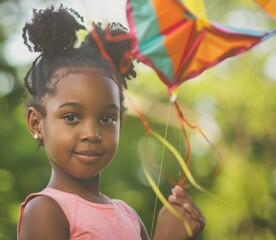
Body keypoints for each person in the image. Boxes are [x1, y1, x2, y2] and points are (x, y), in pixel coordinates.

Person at [17, 5, 205, 240]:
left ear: (120, 123)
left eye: (107, 118)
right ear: (36, 123)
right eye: (71, 117)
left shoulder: (129, 216)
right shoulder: (46, 210)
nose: (92, 133)